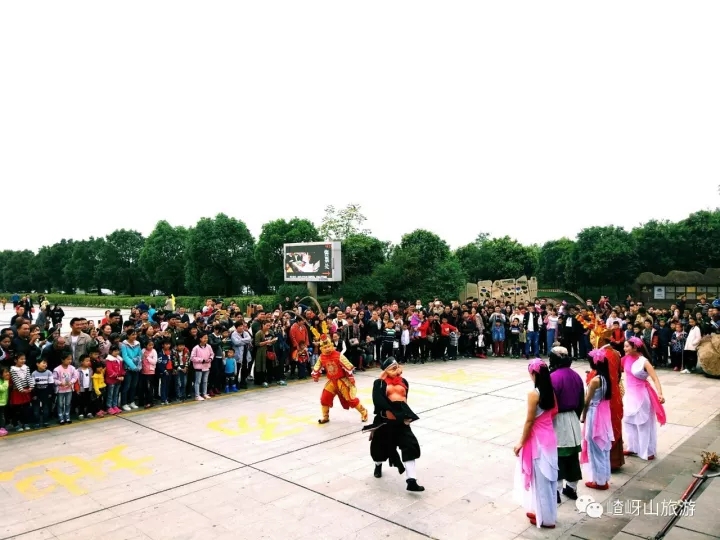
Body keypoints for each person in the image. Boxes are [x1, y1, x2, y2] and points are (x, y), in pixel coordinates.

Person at [362, 357, 424, 492]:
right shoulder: (379, 383)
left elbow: (405, 400)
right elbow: (378, 402)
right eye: (392, 367)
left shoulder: (404, 382)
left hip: (401, 422)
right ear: (386, 370)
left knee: (409, 446)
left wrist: (406, 415)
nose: (396, 369)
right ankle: (378, 465)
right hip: (385, 421)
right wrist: (392, 410)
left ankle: (411, 480)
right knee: (378, 449)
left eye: (397, 366)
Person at [513, 359, 558, 529]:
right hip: (549, 437)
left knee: (540, 479)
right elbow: (554, 411)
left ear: (533, 374)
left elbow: (529, 421)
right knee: (548, 478)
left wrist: (520, 442)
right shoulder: (549, 391)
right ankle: (547, 512)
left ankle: (546, 518)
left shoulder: (534, 394)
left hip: (537, 440)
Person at [311, 321, 368, 424]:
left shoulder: (338, 355)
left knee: (350, 399)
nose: (327, 349)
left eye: (328, 346)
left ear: (331, 345)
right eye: (325, 347)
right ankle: (325, 416)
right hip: (332, 382)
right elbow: (317, 366)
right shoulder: (322, 357)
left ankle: (364, 412)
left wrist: (350, 378)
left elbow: (348, 366)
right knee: (324, 398)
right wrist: (315, 374)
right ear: (321, 348)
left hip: (342, 381)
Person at [587, 320, 625, 471]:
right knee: (614, 422)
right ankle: (615, 460)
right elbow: (618, 373)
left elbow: (600, 375)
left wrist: (591, 378)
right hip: (615, 391)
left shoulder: (603, 354)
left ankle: (605, 462)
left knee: (604, 426)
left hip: (604, 395)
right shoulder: (615, 352)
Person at [621, 337, 666, 461]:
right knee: (628, 421)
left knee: (643, 422)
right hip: (629, 394)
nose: (624, 349)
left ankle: (648, 450)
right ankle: (632, 447)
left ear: (635, 347)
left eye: (627, 346)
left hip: (642, 395)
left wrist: (660, 393)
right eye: (624, 346)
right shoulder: (625, 359)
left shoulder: (644, 361)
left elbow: (655, 378)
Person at [548, 346, 583, 501]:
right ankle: (572, 488)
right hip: (572, 419)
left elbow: (549, 404)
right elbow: (581, 401)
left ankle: (555, 490)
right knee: (572, 456)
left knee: (557, 456)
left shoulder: (553, 377)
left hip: (558, 420)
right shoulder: (576, 376)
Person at [581, 349, 614, 490]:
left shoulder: (595, 380)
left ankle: (599, 481)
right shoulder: (606, 378)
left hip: (594, 412)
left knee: (594, 447)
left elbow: (587, 400)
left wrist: (583, 415)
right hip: (603, 412)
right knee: (603, 447)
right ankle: (603, 477)